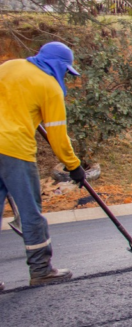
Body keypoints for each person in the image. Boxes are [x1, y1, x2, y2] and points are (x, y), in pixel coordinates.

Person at [0, 42, 85, 287]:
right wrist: (73, 166)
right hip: (15, 151)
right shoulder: (49, 87)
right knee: (30, 212)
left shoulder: (9, 66)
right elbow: (57, 135)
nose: (65, 76)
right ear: (59, 65)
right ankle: (41, 270)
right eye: (66, 71)